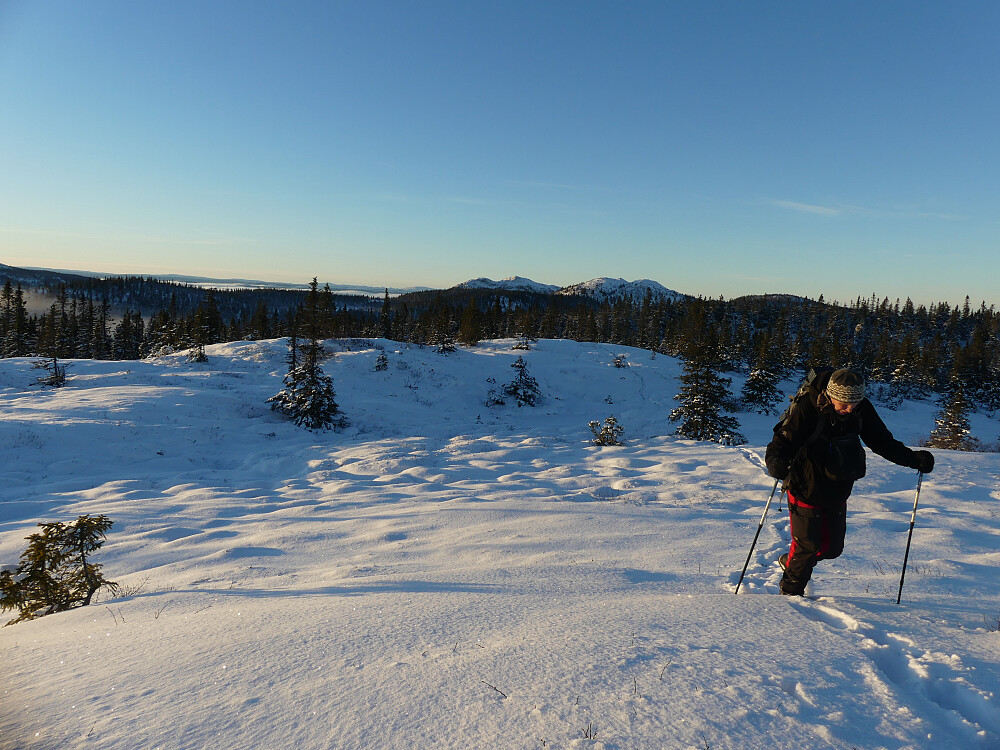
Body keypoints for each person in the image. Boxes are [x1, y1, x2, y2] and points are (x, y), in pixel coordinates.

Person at [765, 368, 934, 596]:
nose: (850, 409)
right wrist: (776, 461)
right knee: (807, 548)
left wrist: (912, 459)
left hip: (838, 488)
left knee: (832, 548)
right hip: (805, 485)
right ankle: (789, 597)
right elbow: (783, 440)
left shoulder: (861, 409)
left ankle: (792, 561)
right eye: (844, 404)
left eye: (854, 403)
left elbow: (882, 441)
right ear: (830, 394)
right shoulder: (809, 406)